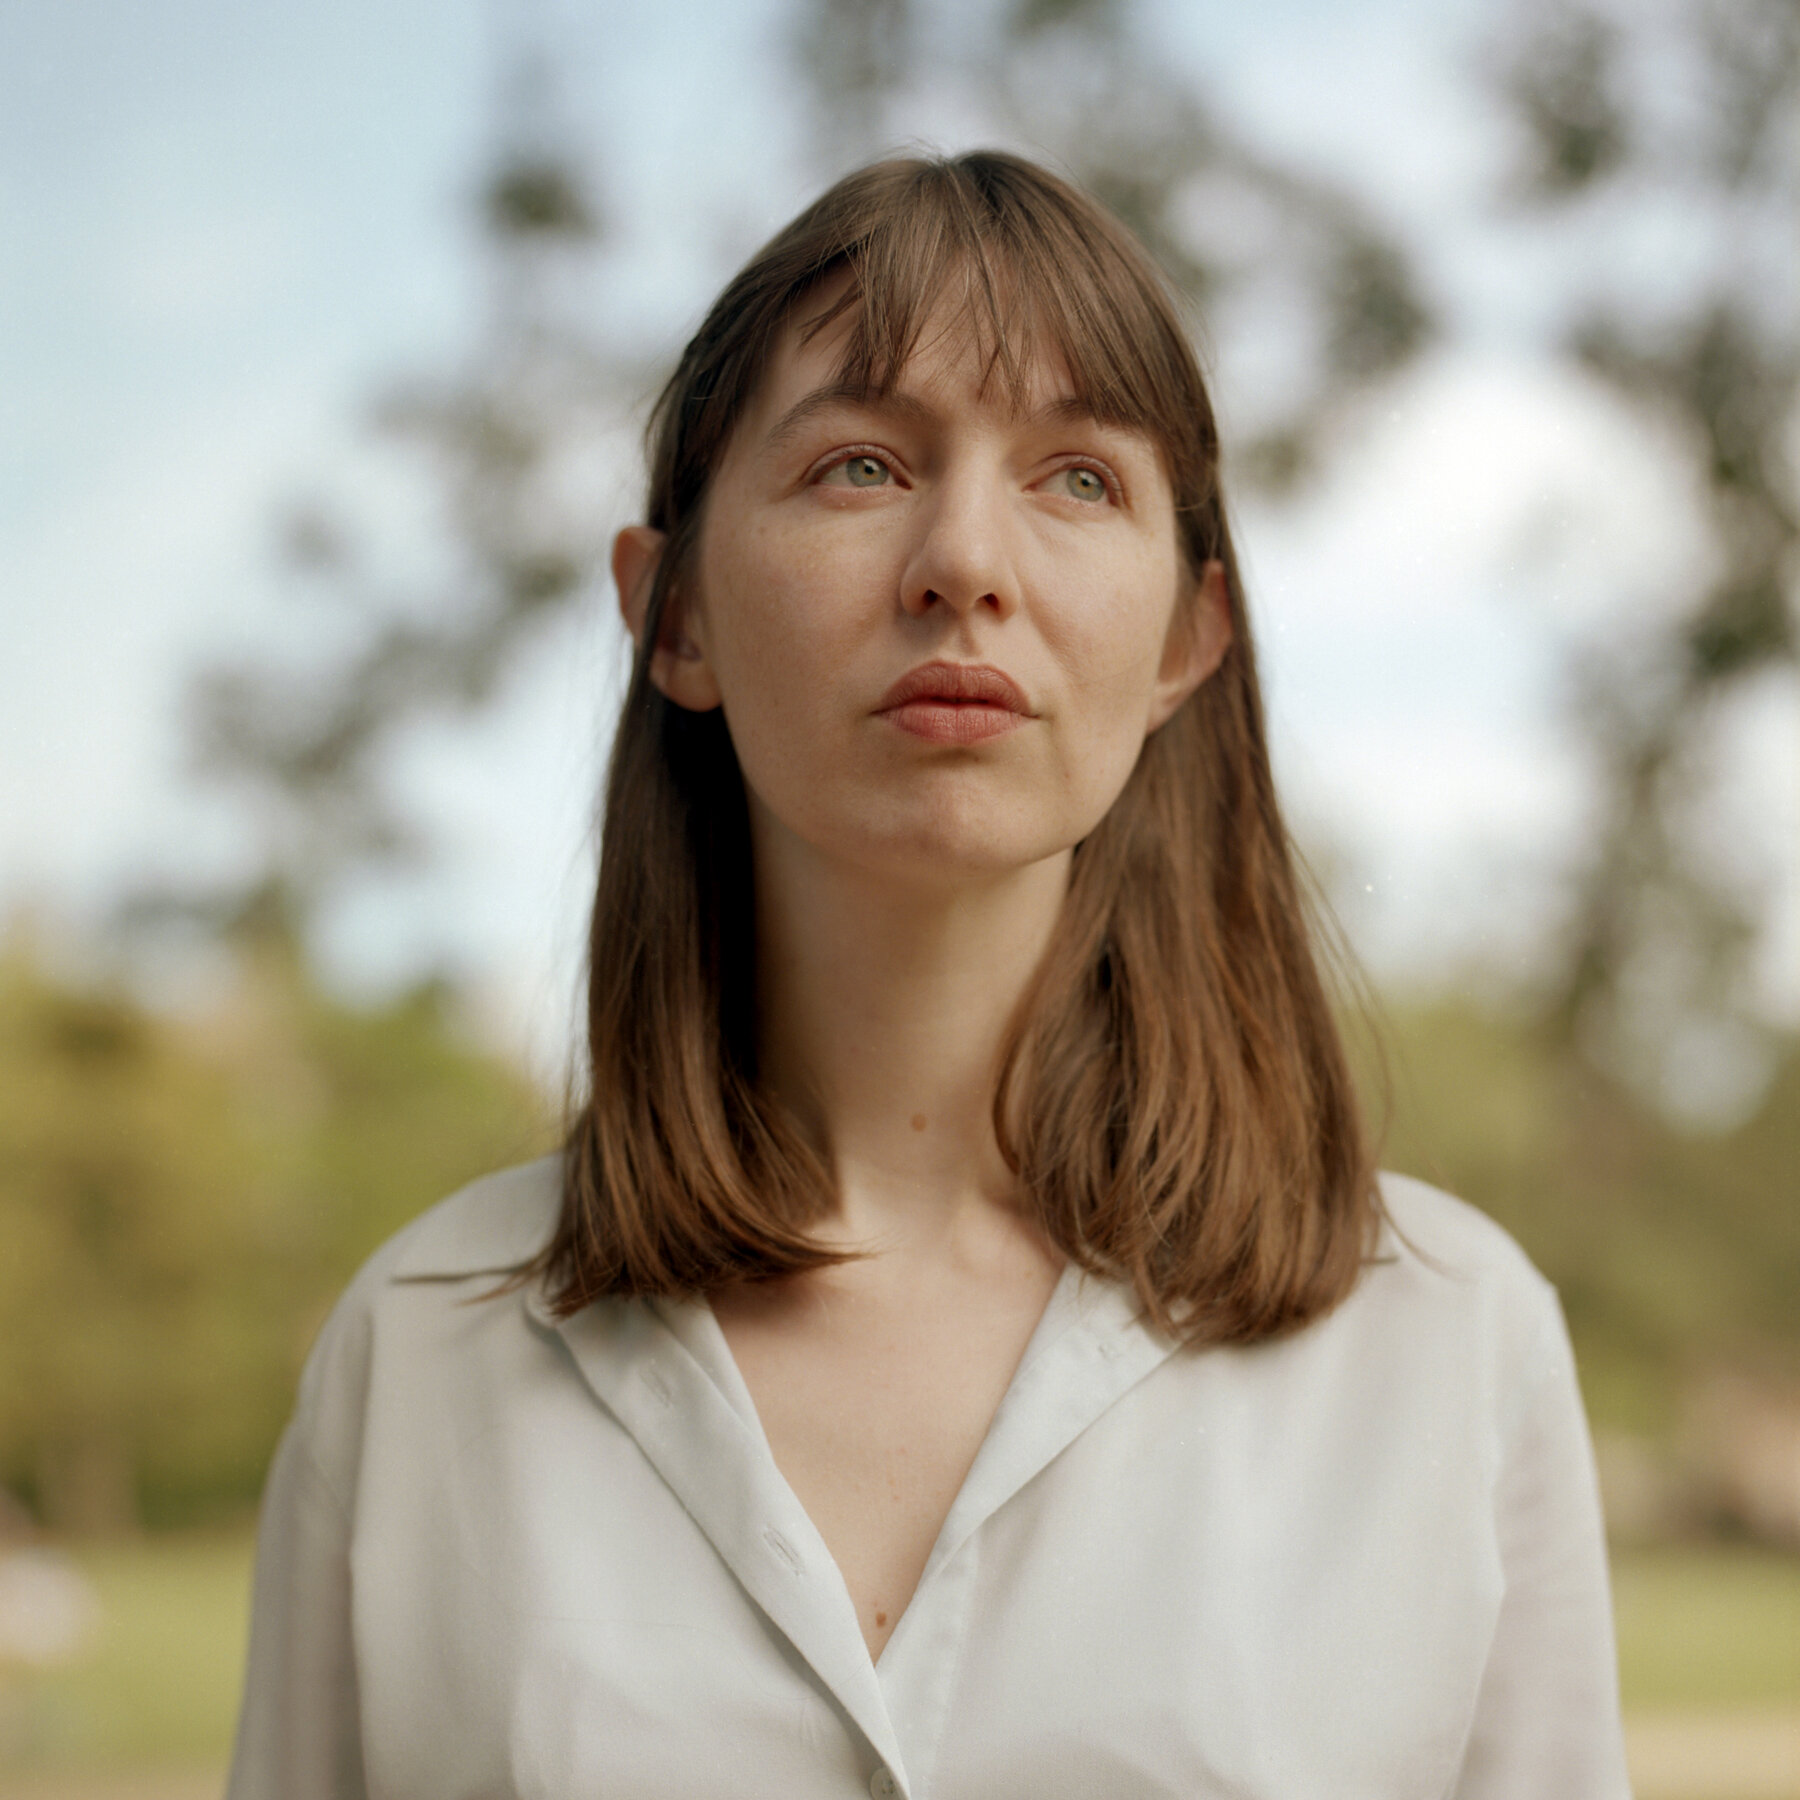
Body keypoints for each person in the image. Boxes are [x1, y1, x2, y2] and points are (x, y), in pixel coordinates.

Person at [227, 152, 1631, 1798]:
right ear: (669, 614)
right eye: (861, 464)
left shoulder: (1450, 1349)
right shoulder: (420, 1348)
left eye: (1080, 480)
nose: (965, 559)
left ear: (1188, 638)